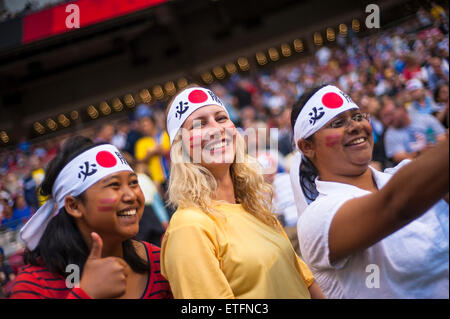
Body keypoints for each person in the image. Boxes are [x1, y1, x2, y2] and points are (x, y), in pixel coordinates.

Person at [160, 86, 324, 299]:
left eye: (220, 118)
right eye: (199, 124)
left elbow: (304, 280)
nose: (215, 129)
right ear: (180, 148)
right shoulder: (188, 226)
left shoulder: (255, 207)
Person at [290, 84, 449, 298]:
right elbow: (395, 206)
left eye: (357, 117)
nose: (355, 126)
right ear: (307, 147)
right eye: (337, 123)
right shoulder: (316, 219)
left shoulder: (403, 174)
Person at [10, 136, 172, 299]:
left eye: (133, 183)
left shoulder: (158, 261)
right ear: (74, 206)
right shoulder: (34, 286)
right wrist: (86, 293)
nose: (131, 195)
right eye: (114, 185)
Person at [383, 99, 446, 163]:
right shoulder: (390, 134)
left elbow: (443, 136)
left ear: (402, 109)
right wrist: (421, 151)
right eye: (386, 117)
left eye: (391, 114)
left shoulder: (426, 119)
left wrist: (434, 143)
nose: (388, 120)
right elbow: (399, 157)